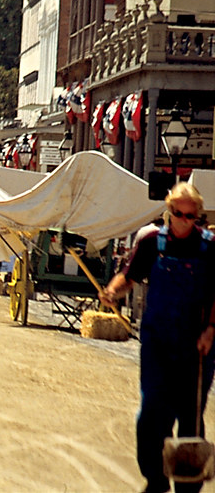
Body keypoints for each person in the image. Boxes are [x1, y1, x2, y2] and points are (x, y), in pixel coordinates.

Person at [100, 182, 215, 493]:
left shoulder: (209, 246)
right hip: (158, 343)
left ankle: (188, 483)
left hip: (197, 346)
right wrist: (113, 290)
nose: (185, 221)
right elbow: (130, 275)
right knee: (153, 409)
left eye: (192, 216)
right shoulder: (152, 242)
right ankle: (155, 478)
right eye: (179, 214)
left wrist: (211, 330)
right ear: (169, 212)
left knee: (190, 417)